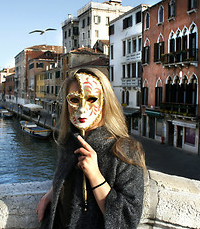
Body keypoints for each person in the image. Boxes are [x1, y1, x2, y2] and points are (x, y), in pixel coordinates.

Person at [36, 68, 147, 229]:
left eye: (92, 99)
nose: (82, 109)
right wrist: (54, 191)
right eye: (74, 100)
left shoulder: (126, 151)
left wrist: (95, 175)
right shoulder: (69, 143)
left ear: (105, 102)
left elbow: (127, 220)